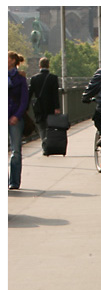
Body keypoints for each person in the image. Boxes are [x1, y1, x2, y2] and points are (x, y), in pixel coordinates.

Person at [28, 57, 61, 153]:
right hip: (51, 107)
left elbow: (30, 93)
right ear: (48, 65)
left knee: (42, 127)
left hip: (39, 107)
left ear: (40, 66)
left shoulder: (34, 78)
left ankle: (45, 146)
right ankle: (48, 145)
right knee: (50, 127)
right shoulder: (53, 78)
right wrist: (57, 107)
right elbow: (55, 94)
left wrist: (26, 106)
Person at [8, 51, 29, 190]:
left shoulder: (20, 79)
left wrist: (17, 115)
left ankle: (14, 182)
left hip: (15, 116)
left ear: (13, 61)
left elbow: (24, 100)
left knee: (16, 151)